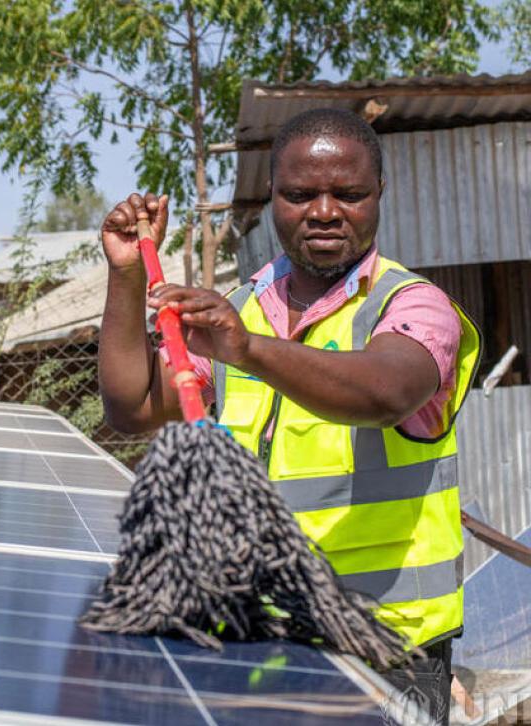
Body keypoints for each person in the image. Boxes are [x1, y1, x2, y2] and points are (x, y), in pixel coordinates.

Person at [98, 108, 482, 725]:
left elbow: (386, 391)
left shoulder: (413, 306)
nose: (325, 211)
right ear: (270, 198)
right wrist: (124, 275)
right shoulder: (243, 307)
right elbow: (135, 405)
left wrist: (248, 349)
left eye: (348, 194)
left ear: (379, 193)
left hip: (387, 658)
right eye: (300, 194)